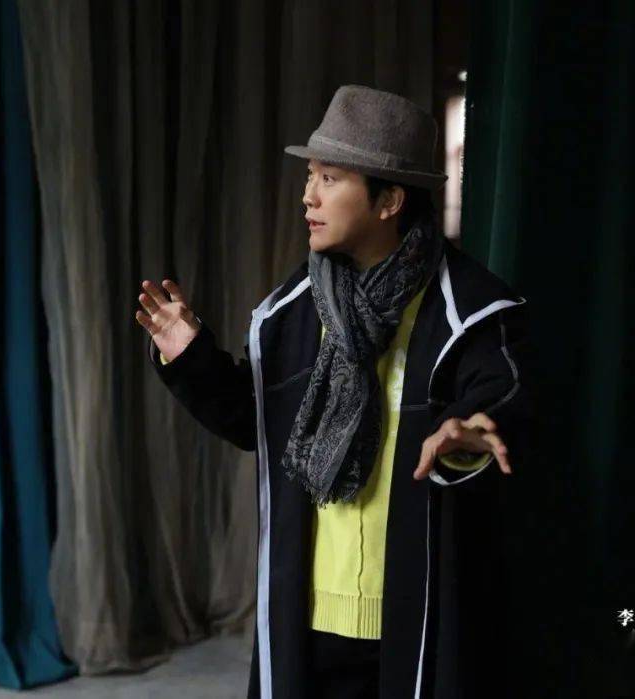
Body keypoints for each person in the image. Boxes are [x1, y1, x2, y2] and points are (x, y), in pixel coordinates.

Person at [137, 85, 531, 698]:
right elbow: (254, 421)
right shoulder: (290, 314)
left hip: (419, 614)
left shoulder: (469, 311)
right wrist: (190, 356)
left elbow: (503, 397)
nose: (308, 196)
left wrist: (471, 428)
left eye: (330, 178)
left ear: (389, 200)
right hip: (307, 613)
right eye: (310, 176)